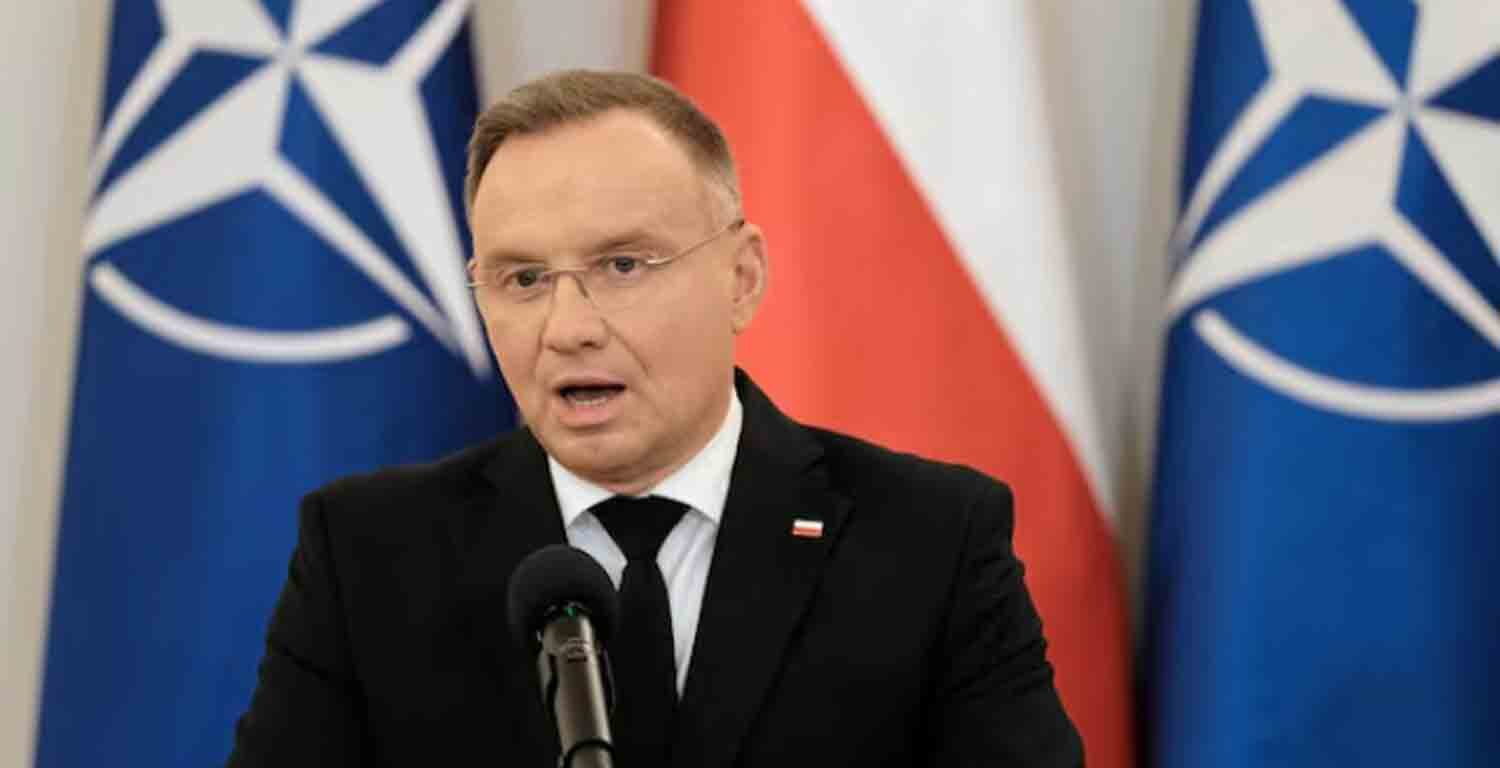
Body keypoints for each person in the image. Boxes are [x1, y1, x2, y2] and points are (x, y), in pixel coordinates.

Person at [228, 70, 1082, 767]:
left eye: (623, 265)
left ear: (742, 277)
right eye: (523, 280)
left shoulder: (930, 541)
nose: (567, 328)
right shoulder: (367, 552)